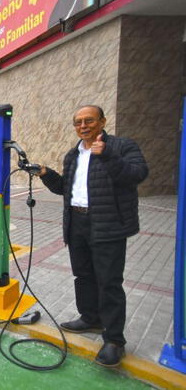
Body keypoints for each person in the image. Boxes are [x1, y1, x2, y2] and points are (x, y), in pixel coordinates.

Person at [37, 105, 148, 367]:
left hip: (107, 224)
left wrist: (108, 155)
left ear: (102, 122)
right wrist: (46, 174)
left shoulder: (121, 147)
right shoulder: (72, 154)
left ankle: (114, 341)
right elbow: (66, 188)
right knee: (83, 275)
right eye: (78, 122)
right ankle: (90, 318)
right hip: (77, 222)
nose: (83, 126)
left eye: (89, 120)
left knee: (109, 281)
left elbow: (138, 174)